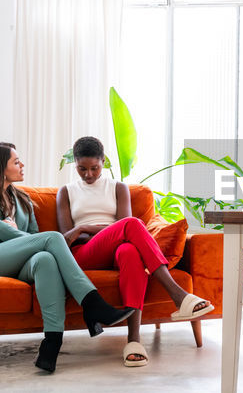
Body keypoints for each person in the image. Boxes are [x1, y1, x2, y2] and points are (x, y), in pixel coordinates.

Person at [0, 142, 136, 373]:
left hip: (17, 260)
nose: (22, 164)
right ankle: (92, 303)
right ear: (1, 167)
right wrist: (23, 237)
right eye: (16, 161)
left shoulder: (22, 199)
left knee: (45, 260)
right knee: (51, 239)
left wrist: (26, 239)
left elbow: (32, 237)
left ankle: (51, 345)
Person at [56, 136, 214, 368]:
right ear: (75, 164)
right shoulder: (66, 192)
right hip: (85, 253)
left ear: (104, 162)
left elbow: (122, 227)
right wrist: (85, 230)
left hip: (118, 246)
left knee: (130, 251)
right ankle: (179, 297)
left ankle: (134, 341)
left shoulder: (118, 188)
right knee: (131, 224)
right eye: (82, 169)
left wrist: (86, 227)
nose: (88, 174)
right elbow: (69, 235)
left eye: (94, 168)